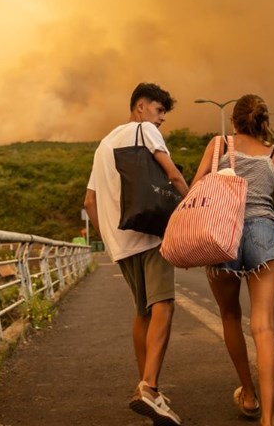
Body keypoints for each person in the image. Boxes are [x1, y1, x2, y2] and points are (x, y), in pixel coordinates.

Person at [84, 82, 190, 426]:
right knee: (164, 304)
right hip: (150, 233)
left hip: (121, 242)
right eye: (159, 111)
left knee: (142, 311)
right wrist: (194, 208)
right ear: (141, 106)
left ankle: (148, 389)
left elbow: (89, 202)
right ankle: (150, 385)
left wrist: (110, 241)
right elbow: (172, 174)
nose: (161, 120)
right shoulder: (144, 130)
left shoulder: (103, 144)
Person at [191, 94, 274, 426]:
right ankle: (268, 418)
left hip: (223, 232)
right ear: (263, 120)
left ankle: (248, 395)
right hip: (264, 232)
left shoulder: (218, 145)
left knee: (231, 316)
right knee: (264, 327)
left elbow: (195, 191)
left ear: (234, 122)